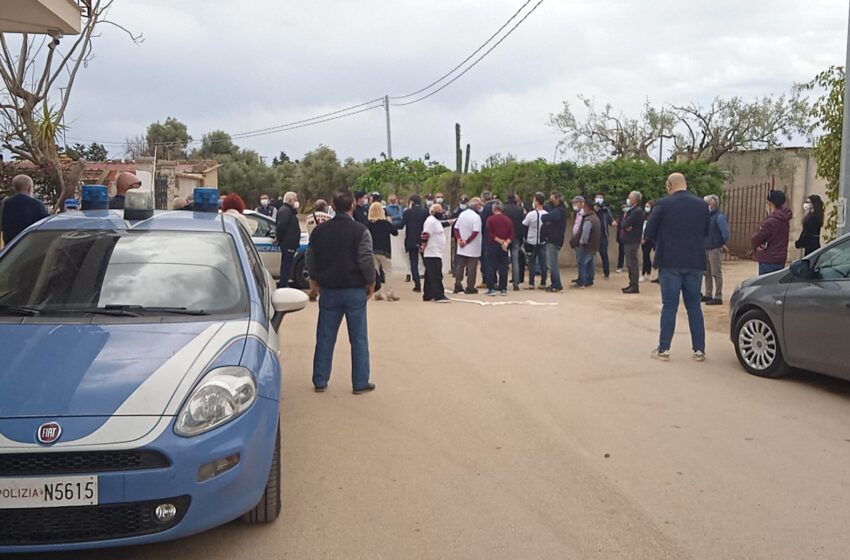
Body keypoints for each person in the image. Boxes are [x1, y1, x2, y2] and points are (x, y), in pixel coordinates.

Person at [307, 191, 376, 394]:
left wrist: (314, 280)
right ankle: (360, 382)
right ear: (353, 205)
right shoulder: (360, 231)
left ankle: (320, 380)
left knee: (325, 337)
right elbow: (366, 259)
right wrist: (370, 282)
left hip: (329, 290)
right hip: (355, 290)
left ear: (333, 207)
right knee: (359, 339)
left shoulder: (320, 231)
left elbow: (311, 257)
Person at [644, 173, 711, 362]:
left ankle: (664, 349)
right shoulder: (701, 205)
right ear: (685, 184)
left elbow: (649, 231)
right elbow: (706, 231)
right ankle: (699, 349)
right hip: (695, 261)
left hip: (670, 261)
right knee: (694, 306)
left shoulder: (663, 204)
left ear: (669, 185)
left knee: (670, 306)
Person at [751, 190, 793, 276]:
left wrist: (757, 244)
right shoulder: (785, 219)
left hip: (768, 260)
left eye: (767, 203)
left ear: (771, 204)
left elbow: (756, 238)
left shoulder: (771, 221)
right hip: (780, 259)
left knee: (765, 285)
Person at [0, 174, 49, 245]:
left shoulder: (6, 203)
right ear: (29, 188)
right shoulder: (36, 204)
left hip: (9, 246)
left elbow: (2, 225)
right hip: (28, 245)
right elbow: (46, 224)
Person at [366, 202, 399, 302]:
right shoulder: (385, 223)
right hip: (384, 250)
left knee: (375, 272)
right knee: (388, 271)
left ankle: (377, 293)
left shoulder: (368, 224)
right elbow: (395, 232)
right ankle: (389, 293)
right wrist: (390, 221)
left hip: (372, 250)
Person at [702, 194, 730, 305]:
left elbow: (725, 233)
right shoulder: (707, 217)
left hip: (714, 248)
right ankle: (708, 293)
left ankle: (718, 295)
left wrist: (721, 243)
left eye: (709, 203)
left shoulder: (719, 217)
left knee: (716, 272)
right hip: (706, 247)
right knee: (706, 273)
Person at [453, 197, 483, 294]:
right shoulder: (476, 217)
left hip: (461, 244)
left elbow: (456, 228)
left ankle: (457, 284)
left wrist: (459, 239)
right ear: (476, 206)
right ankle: (470, 287)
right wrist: (467, 241)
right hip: (472, 245)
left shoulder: (462, 214)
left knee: (460, 266)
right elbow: (476, 231)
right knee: (471, 268)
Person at [421, 203, 450, 303]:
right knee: (436, 274)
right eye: (438, 212)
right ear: (433, 212)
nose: (440, 213)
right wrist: (424, 245)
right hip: (432, 252)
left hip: (436, 252)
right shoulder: (430, 221)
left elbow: (443, 224)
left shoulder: (436, 221)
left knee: (429, 275)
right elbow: (425, 234)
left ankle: (428, 294)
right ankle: (439, 295)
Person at [484, 202, 514, 296]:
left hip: (493, 245)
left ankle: (491, 288)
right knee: (503, 267)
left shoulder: (490, 219)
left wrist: (500, 241)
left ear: (493, 209)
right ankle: (503, 288)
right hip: (504, 246)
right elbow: (512, 234)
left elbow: (490, 233)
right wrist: (506, 242)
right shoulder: (508, 220)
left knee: (491, 267)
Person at [400, 194, 429, 292]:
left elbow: (401, 225)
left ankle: (417, 285)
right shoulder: (425, 212)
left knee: (414, 263)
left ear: (411, 202)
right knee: (427, 262)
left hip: (411, 240)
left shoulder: (407, 212)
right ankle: (431, 282)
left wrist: (389, 225)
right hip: (423, 240)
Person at [541, 191, 568, 292]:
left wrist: (548, 220)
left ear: (557, 199)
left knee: (552, 263)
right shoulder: (558, 209)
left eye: (552, 199)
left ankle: (556, 284)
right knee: (552, 262)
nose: (551, 201)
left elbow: (546, 217)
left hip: (554, 239)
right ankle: (554, 283)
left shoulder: (560, 210)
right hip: (555, 238)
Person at [572, 196, 601, 289]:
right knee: (589, 262)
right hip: (593, 245)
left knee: (582, 262)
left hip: (587, 245)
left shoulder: (588, 219)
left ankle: (582, 282)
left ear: (587, 207)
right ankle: (589, 280)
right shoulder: (595, 217)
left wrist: (582, 241)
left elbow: (585, 233)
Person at [620, 191, 645, 294]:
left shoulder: (636, 211)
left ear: (635, 199)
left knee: (632, 263)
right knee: (630, 263)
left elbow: (625, 224)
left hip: (632, 240)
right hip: (629, 240)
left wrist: (625, 217)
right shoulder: (633, 210)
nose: (628, 199)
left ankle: (634, 285)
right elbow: (625, 225)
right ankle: (632, 283)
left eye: (630, 198)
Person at [275, 191, 302, 288]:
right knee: (286, 265)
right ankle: (283, 284)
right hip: (288, 243)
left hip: (290, 242)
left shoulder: (289, 211)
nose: (297, 202)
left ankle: (284, 283)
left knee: (287, 264)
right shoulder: (286, 211)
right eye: (295, 199)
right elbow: (281, 226)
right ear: (290, 200)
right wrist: (279, 237)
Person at [522, 193, 548, 289]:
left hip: (531, 240)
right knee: (543, 262)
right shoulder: (546, 214)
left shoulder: (531, 214)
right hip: (542, 240)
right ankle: (543, 282)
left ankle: (531, 283)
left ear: (536, 202)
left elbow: (524, 224)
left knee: (532, 262)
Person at [502, 192, 526, 291]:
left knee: (503, 260)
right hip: (516, 237)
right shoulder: (520, 209)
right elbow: (523, 223)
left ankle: (503, 282)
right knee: (515, 260)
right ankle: (516, 283)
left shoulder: (503, 208)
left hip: (505, 237)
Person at [593, 192, 614, 279]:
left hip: (603, 236)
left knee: (604, 254)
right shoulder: (592, 209)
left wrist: (613, 222)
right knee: (590, 255)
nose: (599, 199)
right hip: (593, 236)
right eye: (597, 197)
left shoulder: (606, 210)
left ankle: (606, 273)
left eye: (601, 197)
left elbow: (611, 221)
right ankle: (590, 274)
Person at [641, 200, 656, 283]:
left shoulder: (653, 217)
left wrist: (645, 239)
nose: (646, 208)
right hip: (642, 238)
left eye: (648, 206)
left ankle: (647, 273)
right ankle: (645, 273)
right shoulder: (643, 216)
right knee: (645, 256)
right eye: (646, 206)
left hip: (649, 239)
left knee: (646, 255)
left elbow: (650, 230)